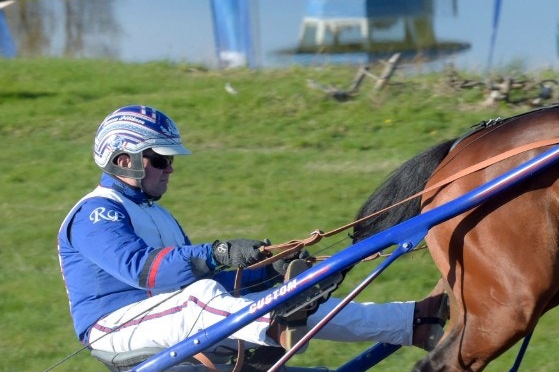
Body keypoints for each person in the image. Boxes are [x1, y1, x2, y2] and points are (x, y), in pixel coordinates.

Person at [58, 104, 446, 358]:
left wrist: (269, 272)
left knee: (285, 295)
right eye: (159, 159)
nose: (171, 168)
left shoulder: (158, 214)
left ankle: (408, 321)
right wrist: (218, 253)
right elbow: (148, 271)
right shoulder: (95, 214)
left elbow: (199, 278)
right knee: (201, 299)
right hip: (113, 327)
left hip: (165, 315)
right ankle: (272, 323)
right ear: (122, 159)